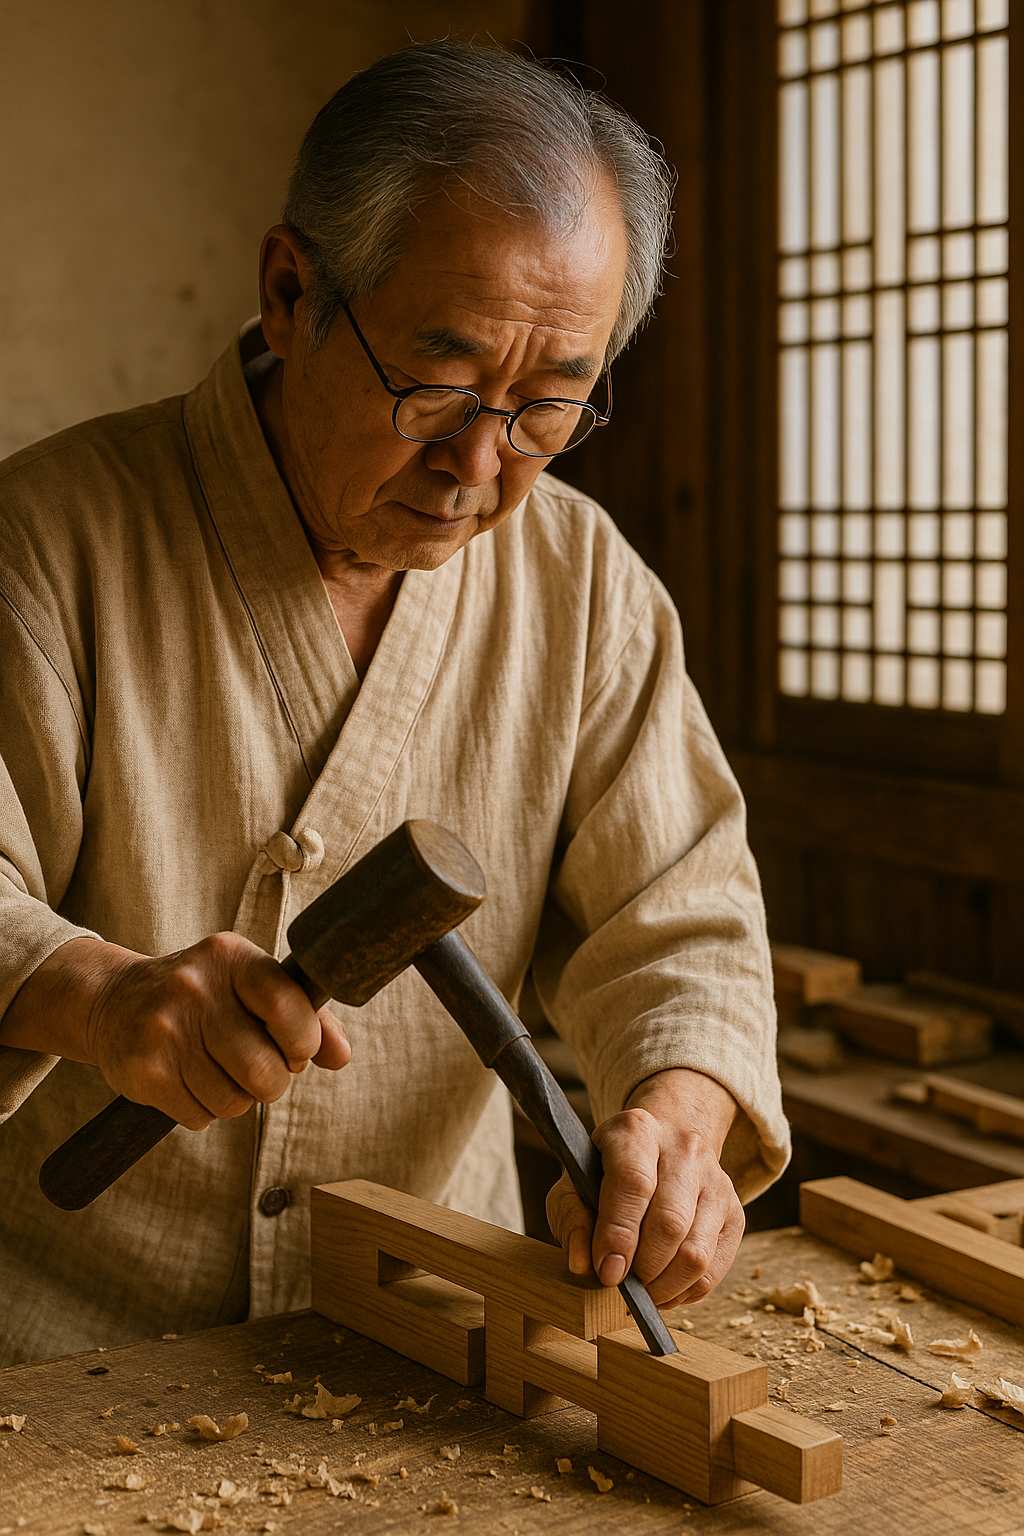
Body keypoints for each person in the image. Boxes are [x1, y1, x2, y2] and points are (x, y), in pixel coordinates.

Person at [0, 39, 788, 1366]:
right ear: (292, 288)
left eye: (548, 408)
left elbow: (685, 918)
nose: (481, 462)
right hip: (66, 1352)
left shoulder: (588, 588)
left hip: (433, 1352)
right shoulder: (45, 542)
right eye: (440, 382)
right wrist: (93, 994)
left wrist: (680, 1117)